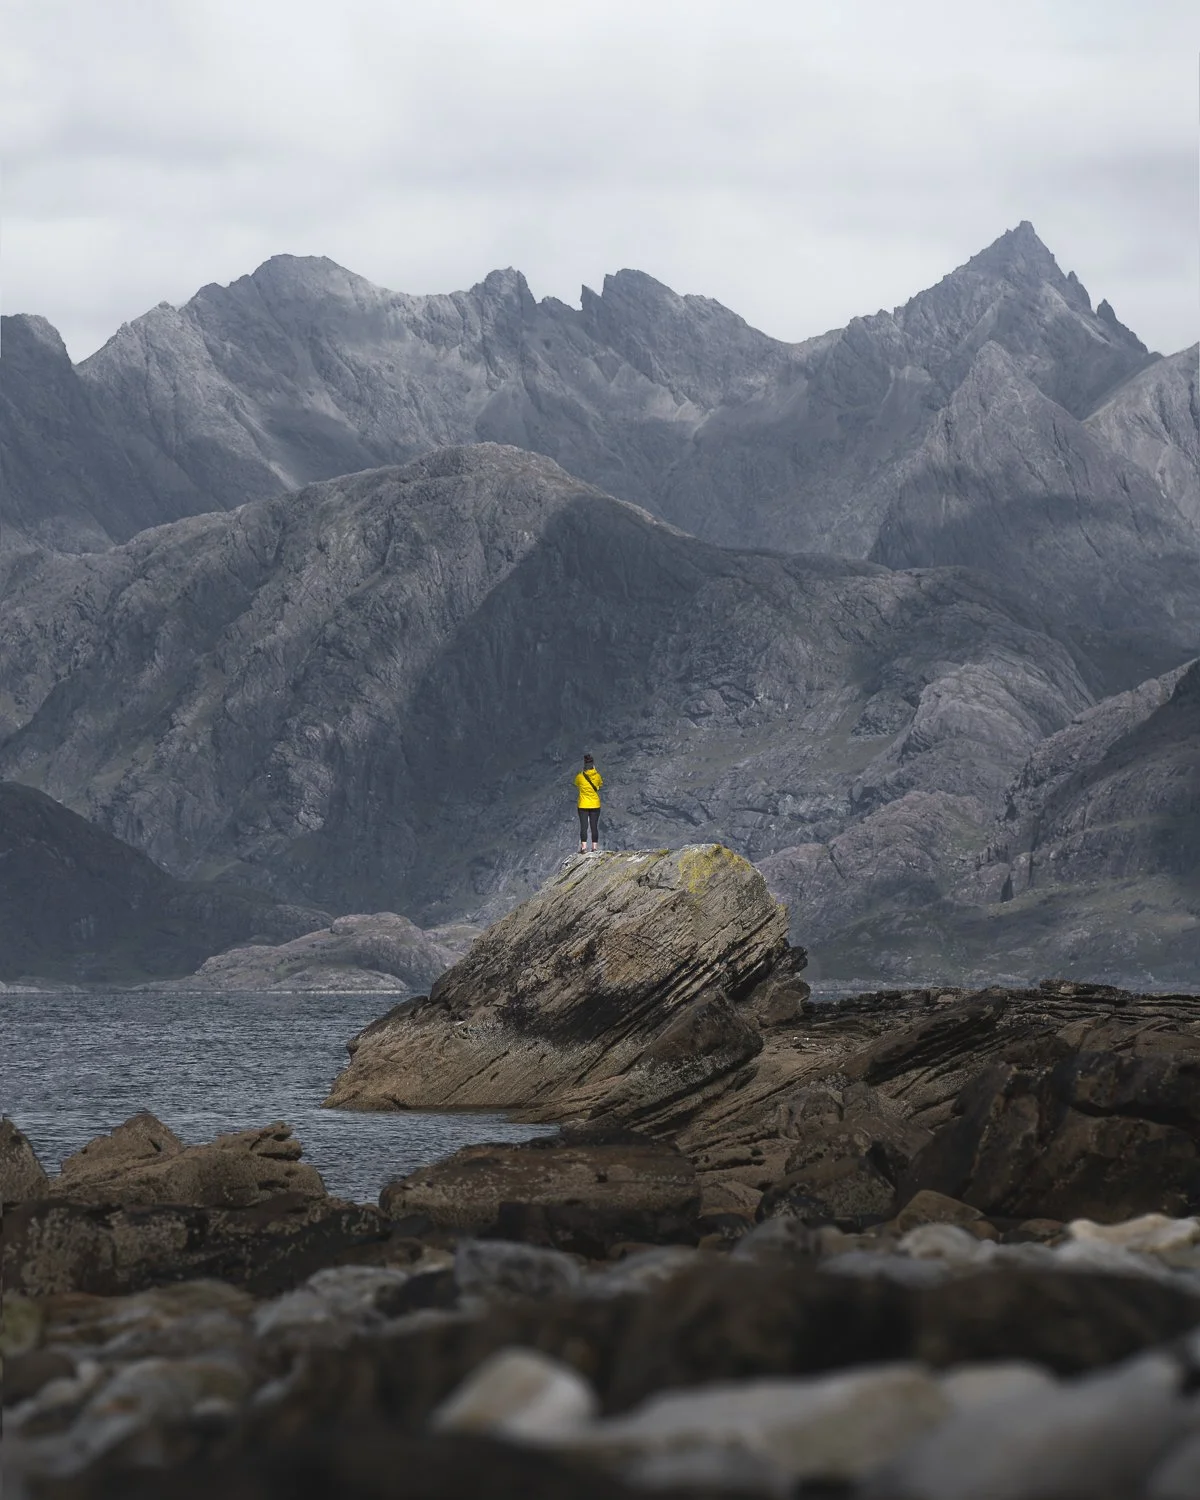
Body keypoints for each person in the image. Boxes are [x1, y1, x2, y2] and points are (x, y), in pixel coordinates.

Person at [574, 753, 603, 853]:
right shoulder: (597, 776)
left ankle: (583, 848)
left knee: (584, 826)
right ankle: (594, 847)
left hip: (583, 805)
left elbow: (576, 784)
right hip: (595, 805)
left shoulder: (580, 777)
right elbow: (600, 785)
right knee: (594, 826)